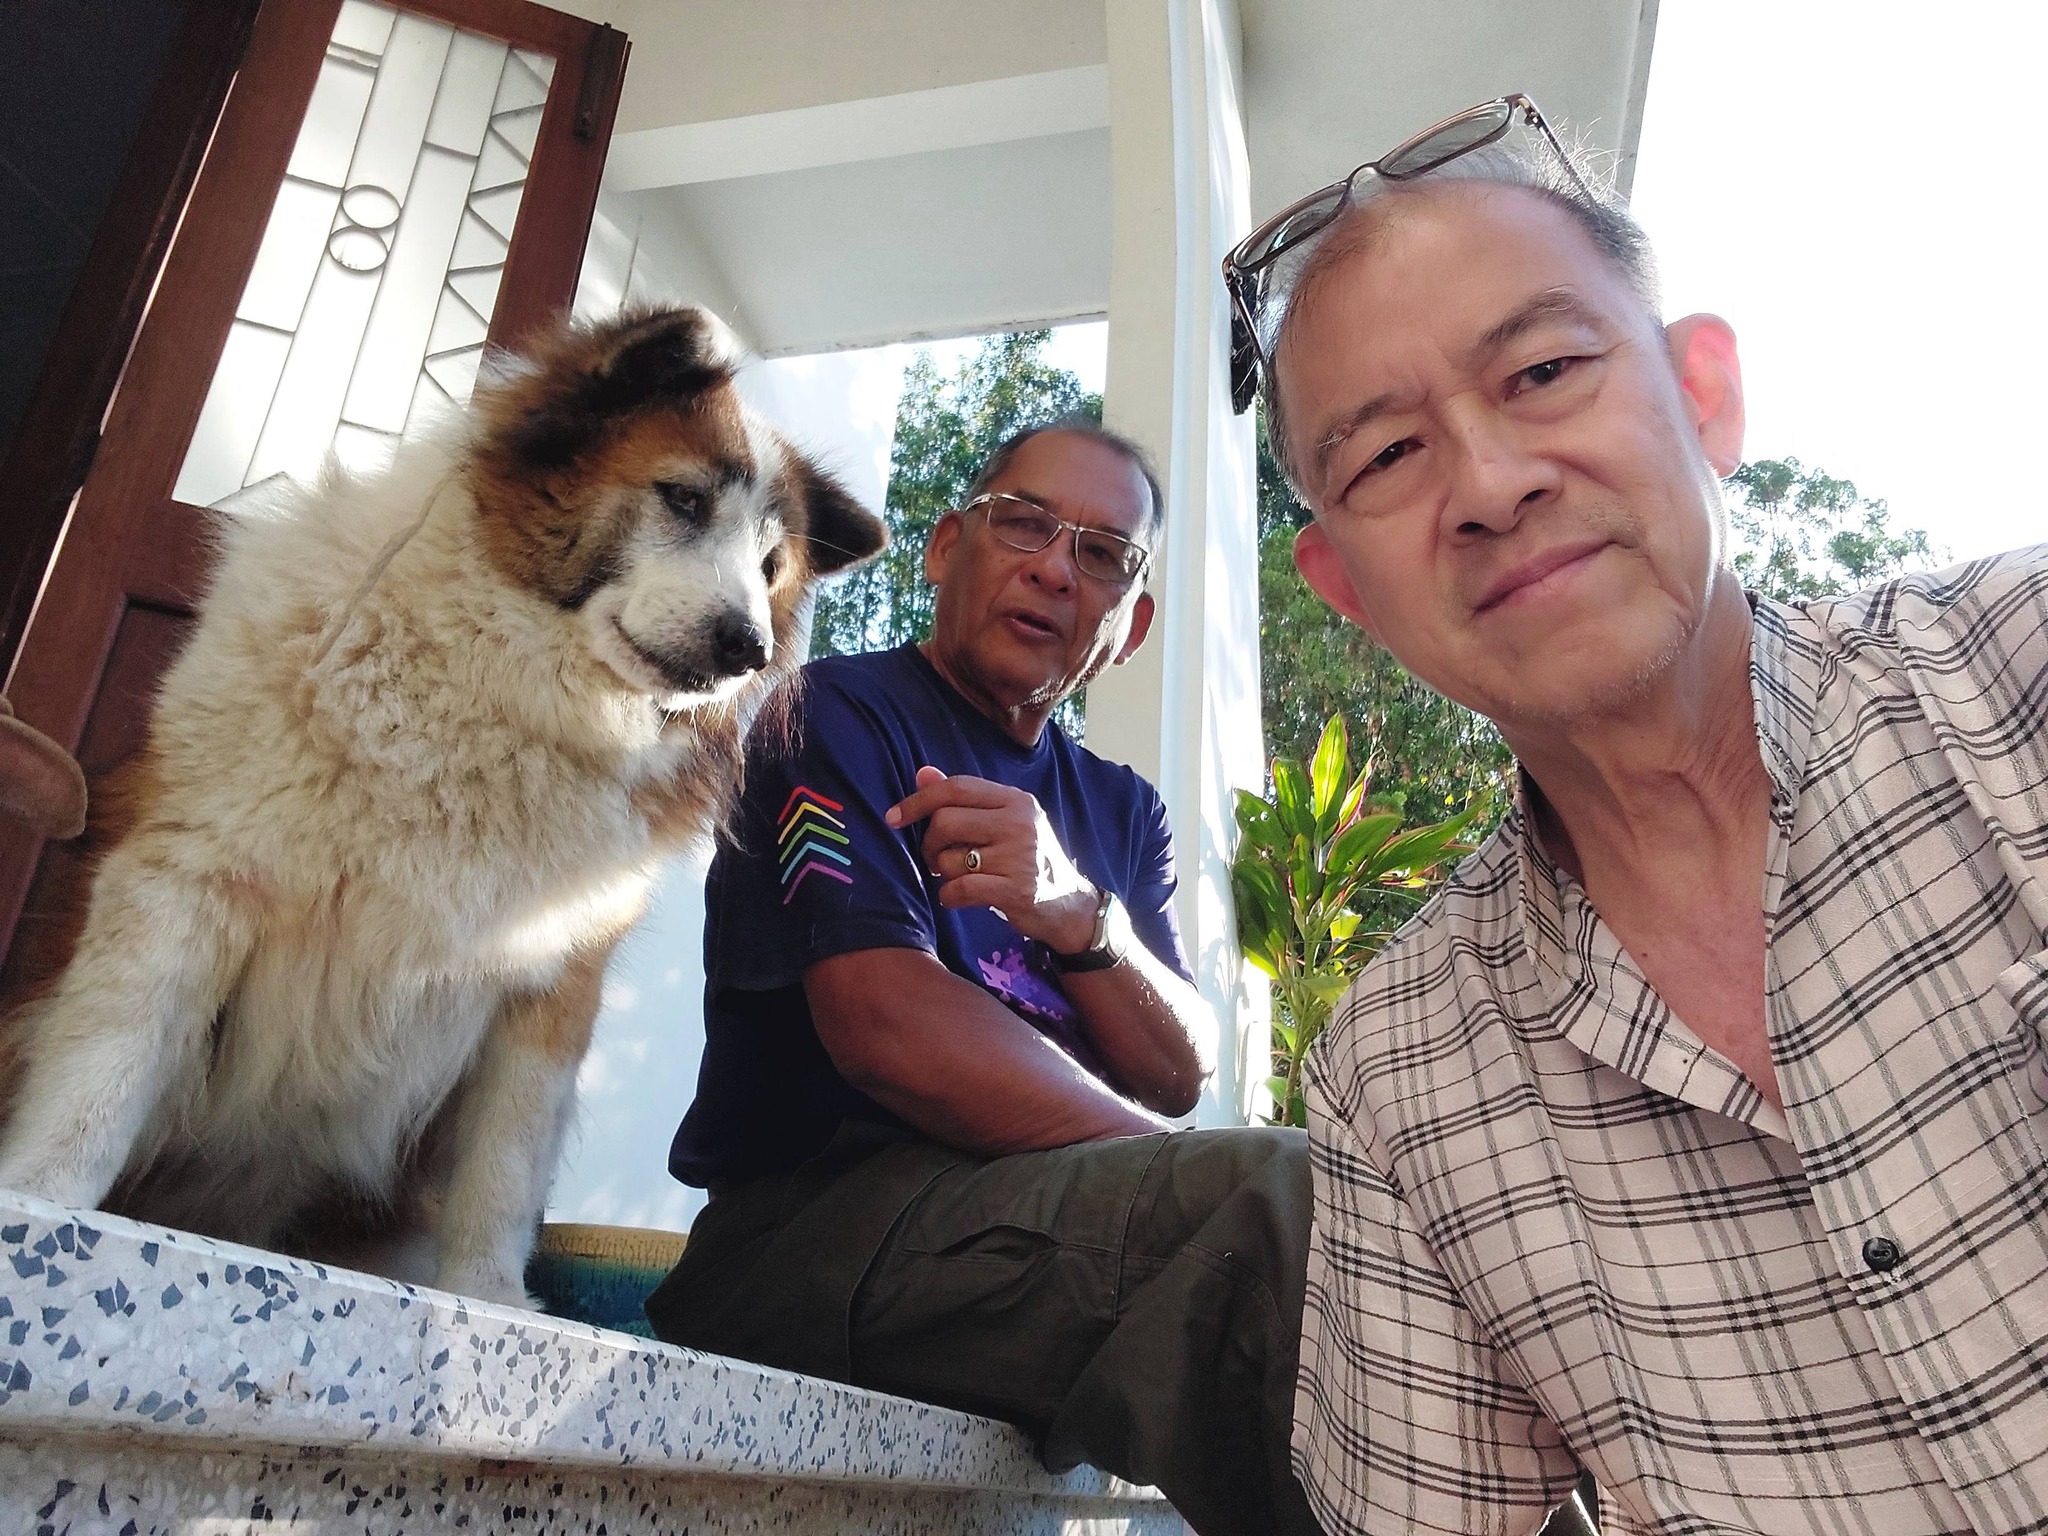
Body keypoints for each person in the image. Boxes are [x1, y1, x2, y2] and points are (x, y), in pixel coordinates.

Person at [1223, 94, 2048, 1535]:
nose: (1489, 485)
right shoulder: (1399, 1076)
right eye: (1387, 458)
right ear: (1345, 590)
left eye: (1542, 371)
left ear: (1704, 392)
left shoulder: (2015, 675)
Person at [645, 418, 1324, 1536]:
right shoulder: (835, 715)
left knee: (1362, 1224)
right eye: (1024, 524)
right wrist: (1167, 1168)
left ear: (1129, 625)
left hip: (1006, 1233)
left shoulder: (1121, 811)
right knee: (1287, 1204)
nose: (1055, 567)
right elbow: (887, 1027)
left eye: (1103, 554)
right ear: (945, 547)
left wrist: (1079, 915)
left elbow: (1177, 1064)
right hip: (813, 1236)